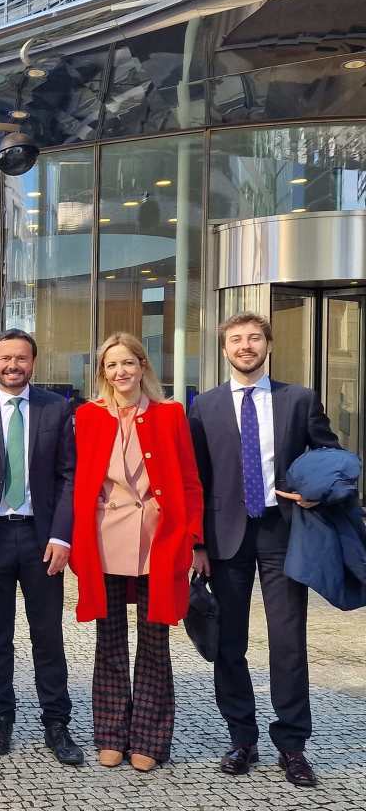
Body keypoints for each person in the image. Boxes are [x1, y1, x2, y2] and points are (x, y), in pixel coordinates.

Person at [189, 312, 339, 787]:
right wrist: (196, 544)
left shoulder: (299, 400)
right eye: (236, 339)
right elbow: (196, 480)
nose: (245, 346)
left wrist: (321, 490)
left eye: (254, 338)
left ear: (268, 345)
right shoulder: (204, 406)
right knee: (228, 642)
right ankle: (242, 738)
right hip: (226, 535)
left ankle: (292, 746)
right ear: (224, 348)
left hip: (283, 531)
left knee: (288, 642)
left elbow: (330, 455)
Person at [0, 329, 81, 765]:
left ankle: (56, 723)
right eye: (5, 358)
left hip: (42, 539)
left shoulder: (57, 409)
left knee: (48, 635)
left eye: (21, 358)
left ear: (33, 363)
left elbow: (68, 477)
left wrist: (62, 536)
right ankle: (0, 717)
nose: (13, 365)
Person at [69, 332, 202, 772]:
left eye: (128, 363)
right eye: (111, 365)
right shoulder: (87, 417)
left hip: (157, 540)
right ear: (102, 373)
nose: (120, 372)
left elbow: (188, 481)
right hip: (103, 539)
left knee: (154, 638)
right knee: (108, 640)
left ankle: (148, 736)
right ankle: (109, 732)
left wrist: (193, 539)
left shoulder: (170, 414)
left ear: (143, 366)